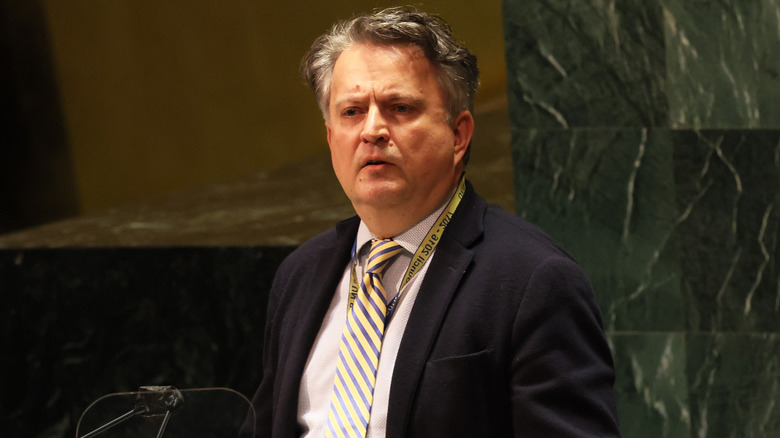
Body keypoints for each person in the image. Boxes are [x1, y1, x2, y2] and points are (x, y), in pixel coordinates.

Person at [245, 6, 620, 438]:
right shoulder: (300, 275)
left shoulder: (531, 280)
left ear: (458, 135)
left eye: (399, 107)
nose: (372, 130)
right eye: (351, 112)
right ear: (331, 138)